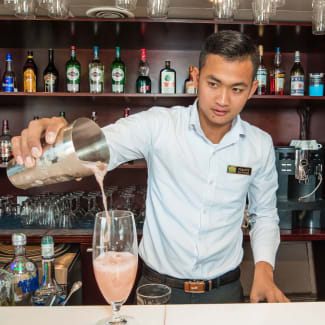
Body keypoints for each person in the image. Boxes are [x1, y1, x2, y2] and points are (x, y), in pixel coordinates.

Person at [11, 30, 289, 304]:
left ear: (252, 89)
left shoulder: (259, 144)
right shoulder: (158, 125)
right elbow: (98, 147)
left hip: (224, 290)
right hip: (158, 289)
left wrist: (264, 269)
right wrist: (61, 137)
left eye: (236, 88)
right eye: (213, 84)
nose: (223, 100)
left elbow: (264, 214)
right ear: (195, 78)